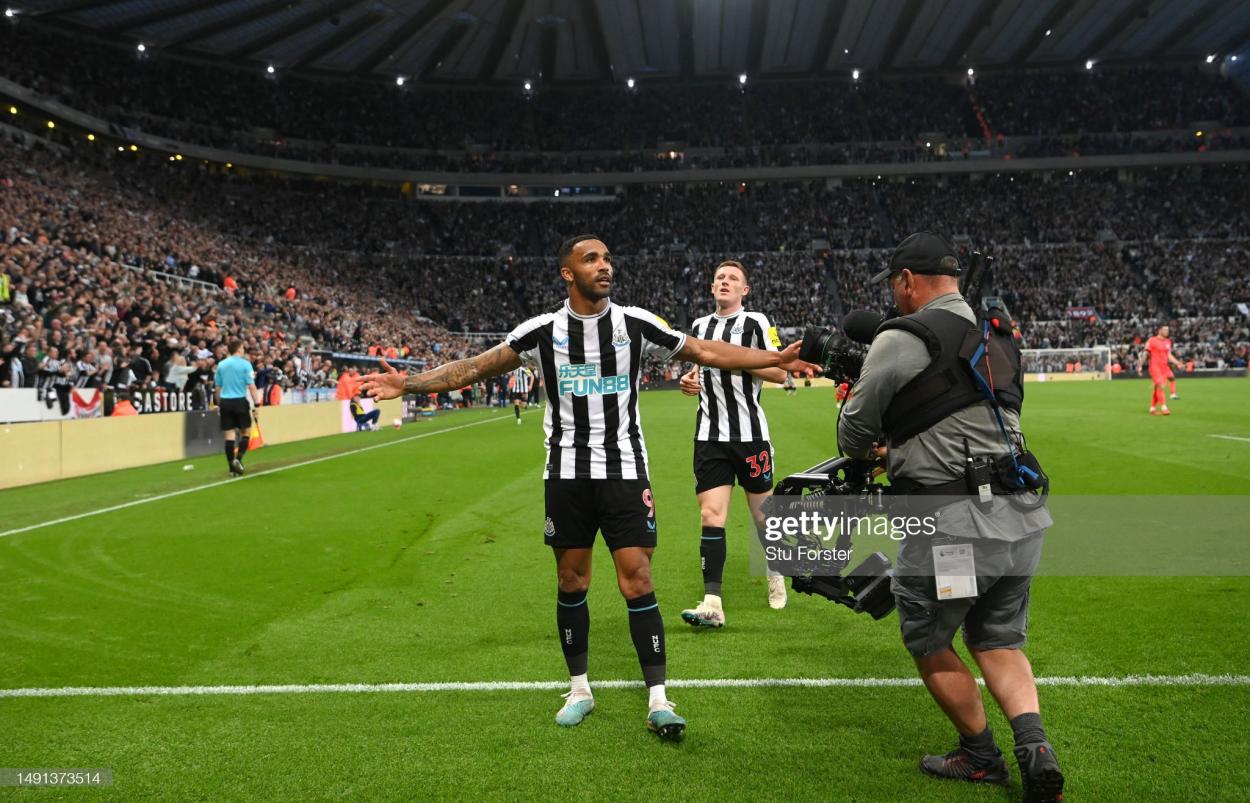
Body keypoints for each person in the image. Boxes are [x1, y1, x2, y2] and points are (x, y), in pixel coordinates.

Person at [359, 235, 816, 741]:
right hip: (567, 476)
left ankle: (659, 699)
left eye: (606, 258)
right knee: (572, 581)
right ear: (567, 273)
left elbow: (705, 349)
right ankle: (579, 690)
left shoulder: (636, 323)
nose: (604, 266)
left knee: (637, 579)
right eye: (590, 259)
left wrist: (773, 360)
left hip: (624, 471)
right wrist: (409, 384)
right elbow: (475, 367)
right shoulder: (540, 332)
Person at [837, 233, 1063, 802]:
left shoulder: (901, 335)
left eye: (895, 288)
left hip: (956, 532)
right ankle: (1036, 749)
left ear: (907, 282)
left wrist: (872, 426)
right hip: (1022, 518)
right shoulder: (997, 331)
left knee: (931, 636)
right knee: (997, 640)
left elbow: (853, 433)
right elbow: (970, 416)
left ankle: (982, 757)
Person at [676, 260, 790, 627]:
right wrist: (689, 379)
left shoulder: (758, 322)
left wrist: (731, 359)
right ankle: (713, 601)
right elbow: (696, 370)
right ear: (712, 288)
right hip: (710, 437)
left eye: (733, 279)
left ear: (745, 290)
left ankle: (775, 572)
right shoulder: (698, 327)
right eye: (720, 278)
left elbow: (780, 371)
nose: (725, 282)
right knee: (711, 515)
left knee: (762, 517)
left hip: (751, 435)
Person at [214, 340, 261, 476]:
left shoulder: (221, 365)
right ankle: (238, 460)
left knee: (229, 436)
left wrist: (218, 404)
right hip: (240, 401)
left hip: (225, 402)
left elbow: (217, 388)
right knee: (246, 432)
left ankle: (231, 468)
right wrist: (256, 405)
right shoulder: (245, 364)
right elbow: (252, 387)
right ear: (239, 349)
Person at [1136, 324, 1183, 415]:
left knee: (1157, 388)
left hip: (1164, 368)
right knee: (1161, 386)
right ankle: (1164, 407)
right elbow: (1145, 354)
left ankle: (1152, 408)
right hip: (1155, 367)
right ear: (1159, 330)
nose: (1167, 331)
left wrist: (1177, 363)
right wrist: (1140, 365)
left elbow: (1169, 355)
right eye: (1165, 330)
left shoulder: (1168, 341)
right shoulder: (1152, 340)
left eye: (1168, 330)